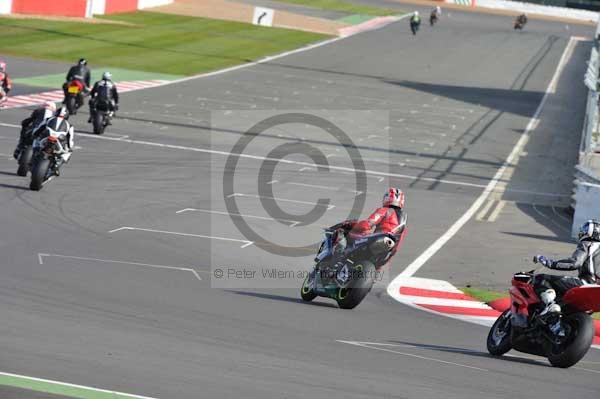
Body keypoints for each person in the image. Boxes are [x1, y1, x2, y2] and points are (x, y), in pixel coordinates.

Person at [533, 220, 600, 315]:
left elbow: (574, 263)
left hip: (586, 283)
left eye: (585, 229)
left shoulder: (588, 243)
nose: (582, 232)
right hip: (597, 291)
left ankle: (550, 305)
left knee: (541, 278)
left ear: (592, 231)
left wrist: (550, 263)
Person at [331, 188, 408, 260]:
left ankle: (336, 260)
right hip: (388, 251)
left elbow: (366, 225)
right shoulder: (404, 220)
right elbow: (398, 243)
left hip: (377, 239)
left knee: (343, 232)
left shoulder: (385, 210)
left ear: (387, 198)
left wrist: (353, 226)